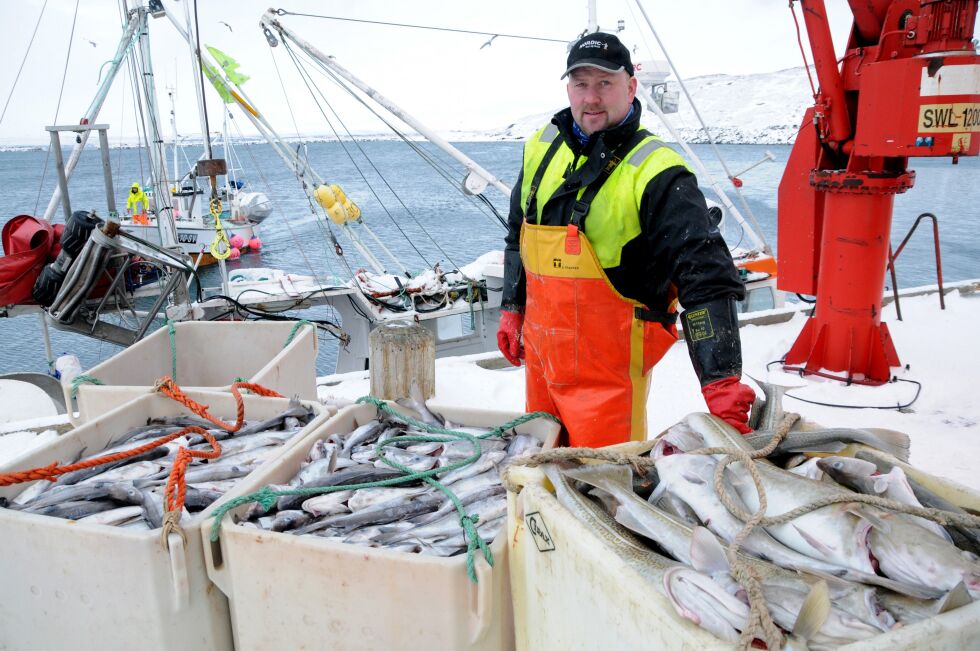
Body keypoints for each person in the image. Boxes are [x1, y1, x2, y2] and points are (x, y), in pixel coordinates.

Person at [497, 32, 756, 448]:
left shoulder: (657, 171)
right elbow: (517, 236)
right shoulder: (541, 148)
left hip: (607, 389)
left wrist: (721, 378)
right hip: (541, 371)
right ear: (568, 88)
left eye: (605, 83)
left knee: (604, 494)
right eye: (581, 84)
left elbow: (706, 276)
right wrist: (512, 307)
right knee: (542, 481)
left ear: (631, 87)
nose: (591, 97)